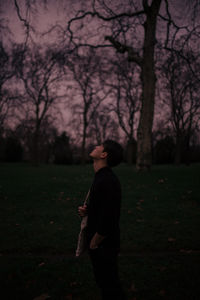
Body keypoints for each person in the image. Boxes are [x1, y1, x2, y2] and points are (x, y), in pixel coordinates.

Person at [78, 140, 127, 300]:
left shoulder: (107, 181)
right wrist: (88, 210)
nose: (96, 146)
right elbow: (103, 207)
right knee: (105, 283)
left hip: (103, 244)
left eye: (100, 146)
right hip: (100, 244)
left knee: (110, 286)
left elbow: (110, 217)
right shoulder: (101, 177)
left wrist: (94, 242)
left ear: (104, 154)